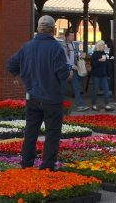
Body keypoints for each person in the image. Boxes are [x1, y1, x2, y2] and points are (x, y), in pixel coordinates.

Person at [7, 15, 70, 171]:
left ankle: (26, 164)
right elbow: (62, 74)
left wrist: (24, 76)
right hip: (52, 98)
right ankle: (47, 166)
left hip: (32, 96)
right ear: (53, 30)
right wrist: (69, 74)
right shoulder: (56, 48)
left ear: (38, 28)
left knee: (30, 132)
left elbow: (11, 65)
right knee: (52, 134)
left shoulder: (27, 46)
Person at [59, 31, 89, 112]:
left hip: (74, 68)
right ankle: (60, 106)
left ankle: (80, 105)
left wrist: (80, 56)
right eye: (71, 35)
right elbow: (64, 59)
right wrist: (71, 66)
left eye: (73, 35)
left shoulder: (74, 44)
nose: (73, 37)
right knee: (63, 87)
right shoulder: (63, 45)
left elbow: (75, 55)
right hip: (66, 69)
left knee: (77, 86)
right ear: (67, 36)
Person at [89, 40, 114, 111]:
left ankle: (107, 104)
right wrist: (98, 61)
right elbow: (93, 65)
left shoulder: (103, 53)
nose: (104, 46)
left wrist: (108, 73)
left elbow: (106, 64)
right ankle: (93, 105)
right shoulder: (95, 54)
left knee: (106, 90)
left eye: (104, 45)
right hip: (96, 75)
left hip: (103, 75)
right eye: (103, 45)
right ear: (99, 46)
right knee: (95, 90)